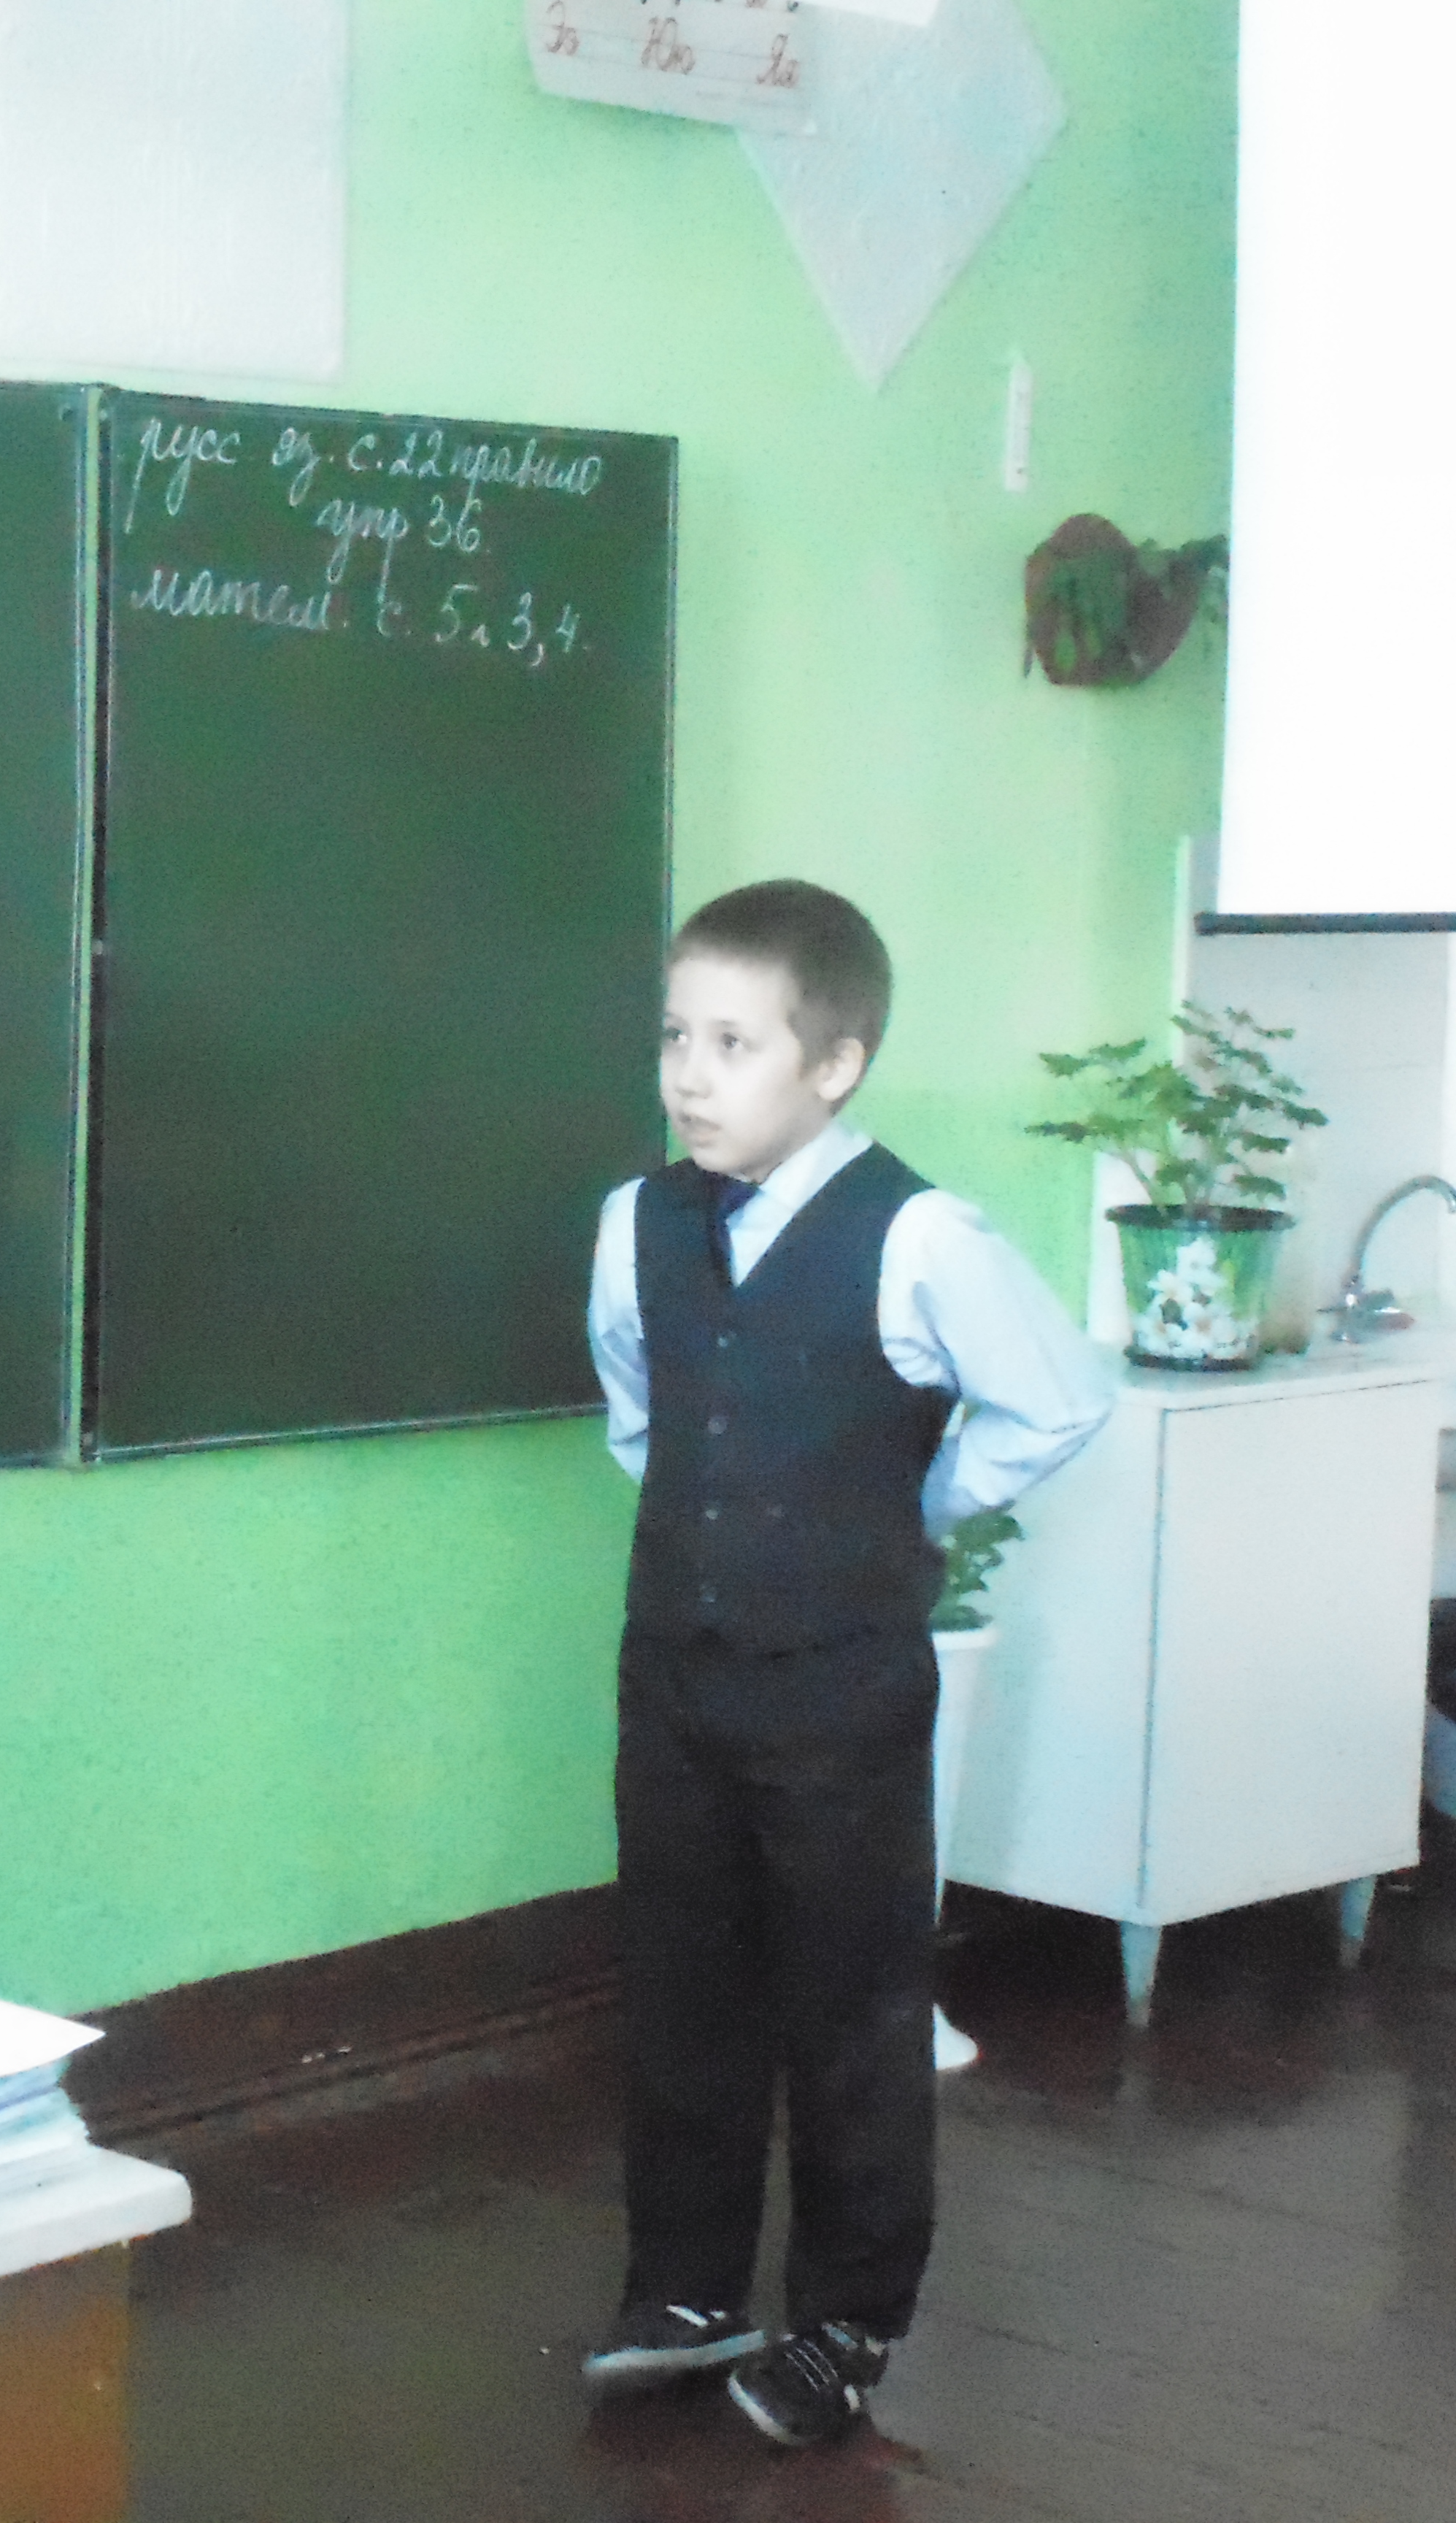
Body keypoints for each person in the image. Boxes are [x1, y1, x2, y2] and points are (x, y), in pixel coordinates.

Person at [577, 881, 1110, 2445]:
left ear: (835, 1065)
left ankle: (849, 2321)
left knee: (852, 2007)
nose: (689, 1075)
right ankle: (686, 2288)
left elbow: (1058, 1400)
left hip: (840, 1689)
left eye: (733, 1045)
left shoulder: (919, 1235)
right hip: (677, 1675)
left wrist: (914, 1501)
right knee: (682, 1986)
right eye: (676, 1036)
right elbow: (643, 1410)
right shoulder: (637, 1222)